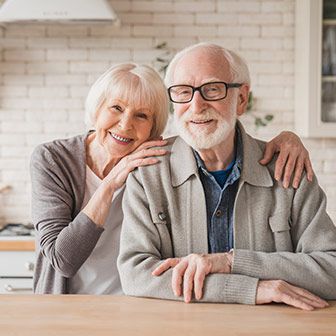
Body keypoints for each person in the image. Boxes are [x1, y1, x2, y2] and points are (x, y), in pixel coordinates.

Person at [31, 61, 311, 295]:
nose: (125, 124)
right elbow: (62, 260)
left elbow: (210, 136)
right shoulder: (53, 158)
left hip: (138, 305)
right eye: (116, 108)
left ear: (154, 130)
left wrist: (290, 139)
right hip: (67, 304)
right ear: (97, 108)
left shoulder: (153, 161)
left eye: (141, 116)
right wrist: (111, 183)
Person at [117, 43, 336, 310]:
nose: (196, 106)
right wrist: (251, 289)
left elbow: (331, 270)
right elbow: (135, 275)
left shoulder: (288, 169)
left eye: (212, 89)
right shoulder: (148, 173)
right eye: (183, 92)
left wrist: (231, 262)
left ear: (241, 99)